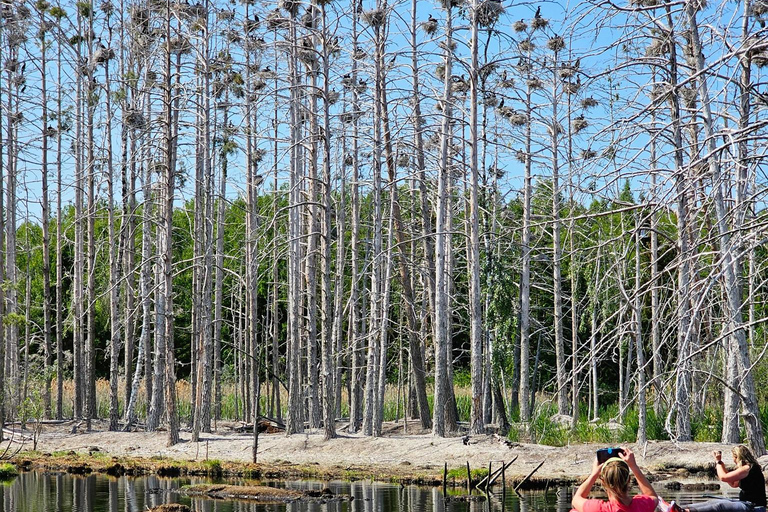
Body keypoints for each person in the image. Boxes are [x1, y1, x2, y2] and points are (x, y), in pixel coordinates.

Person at [668, 446, 766, 512]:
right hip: (745, 503)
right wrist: (722, 465)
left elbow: (723, 477)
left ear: (737, 457)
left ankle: (684, 511)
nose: (733, 460)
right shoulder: (746, 469)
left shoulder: (748, 468)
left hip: (753, 506)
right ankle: (682, 508)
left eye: (733, 457)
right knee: (711, 502)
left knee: (719, 506)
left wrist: (718, 462)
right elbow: (733, 483)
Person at [572, 446, 659, 512]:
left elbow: (576, 499)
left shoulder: (598, 508)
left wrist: (594, 474)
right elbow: (652, 497)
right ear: (628, 479)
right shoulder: (642, 506)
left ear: (603, 482)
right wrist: (633, 466)